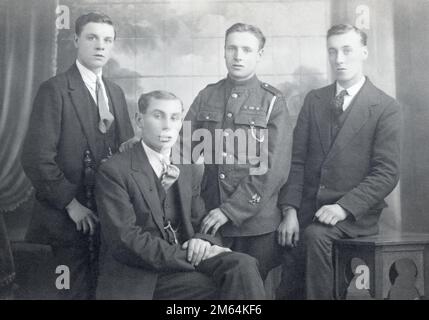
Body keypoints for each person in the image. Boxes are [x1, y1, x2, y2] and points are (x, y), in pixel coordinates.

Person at [94, 91, 266, 300]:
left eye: (174, 118)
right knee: (219, 288)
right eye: (158, 116)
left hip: (181, 262)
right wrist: (189, 256)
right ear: (139, 120)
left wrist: (204, 241)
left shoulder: (186, 166)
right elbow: (126, 241)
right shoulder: (114, 171)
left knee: (243, 264)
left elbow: (199, 218)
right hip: (140, 276)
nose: (167, 125)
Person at [277, 24, 401, 299]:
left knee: (315, 238)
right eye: (332, 51)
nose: (339, 59)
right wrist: (289, 211)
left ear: (364, 52)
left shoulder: (385, 107)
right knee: (280, 251)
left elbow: (386, 173)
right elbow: (296, 161)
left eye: (347, 50)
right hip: (307, 211)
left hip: (353, 217)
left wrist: (344, 207)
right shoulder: (314, 100)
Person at [21, 12, 134, 299]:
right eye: (92, 38)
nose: (100, 46)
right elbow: (35, 158)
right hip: (63, 222)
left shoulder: (116, 93)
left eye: (107, 40)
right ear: (76, 41)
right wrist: (70, 204)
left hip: (106, 220)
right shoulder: (55, 90)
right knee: (69, 294)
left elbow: (125, 153)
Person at [183, 23, 293, 280]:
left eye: (246, 49)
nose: (238, 55)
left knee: (250, 291)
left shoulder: (273, 102)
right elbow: (182, 151)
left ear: (260, 55)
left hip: (256, 226)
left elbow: (272, 170)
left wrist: (229, 211)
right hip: (210, 221)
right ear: (223, 51)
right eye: (232, 48)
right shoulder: (206, 96)